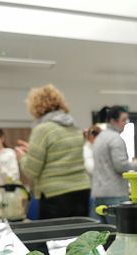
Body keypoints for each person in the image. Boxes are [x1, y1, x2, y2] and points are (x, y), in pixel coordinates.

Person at [15, 84, 90, 219]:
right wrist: (31, 151)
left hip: (56, 195)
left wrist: (22, 157)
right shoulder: (74, 126)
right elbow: (59, 155)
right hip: (82, 191)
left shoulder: (43, 129)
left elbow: (32, 171)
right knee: (79, 236)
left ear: (35, 106)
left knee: (55, 238)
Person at [92, 106, 137, 211]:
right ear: (113, 121)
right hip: (115, 193)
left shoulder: (99, 138)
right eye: (123, 120)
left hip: (99, 193)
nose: (125, 123)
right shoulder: (115, 138)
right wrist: (135, 164)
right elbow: (120, 166)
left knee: (104, 227)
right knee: (118, 227)